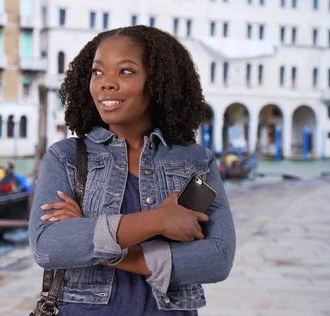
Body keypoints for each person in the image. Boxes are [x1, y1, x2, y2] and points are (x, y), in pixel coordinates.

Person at [28, 25, 236, 315]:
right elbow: (48, 246)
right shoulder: (65, 159)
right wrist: (159, 220)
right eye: (97, 71)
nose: (106, 83)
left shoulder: (195, 163)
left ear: (158, 82)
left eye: (125, 71)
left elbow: (216, 259)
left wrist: (93, 239)